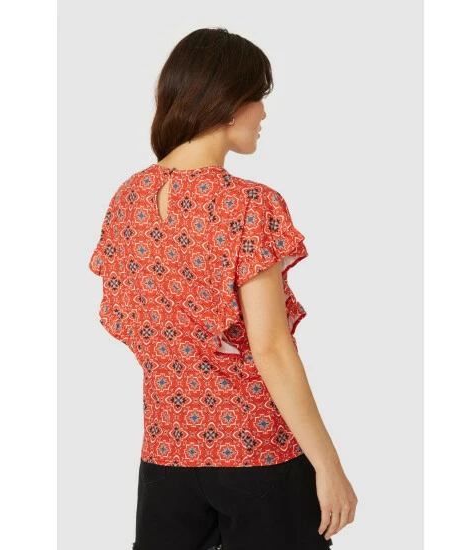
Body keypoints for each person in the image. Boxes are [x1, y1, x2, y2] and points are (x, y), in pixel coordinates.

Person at [88, 27, 357, 550]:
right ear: (229, 102)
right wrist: (329, 466)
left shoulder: (127, 200)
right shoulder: (250, 205)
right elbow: (271, 348)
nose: (264, 112)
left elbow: (136, 327)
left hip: (166, 455)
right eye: (259, 97)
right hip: (258, 455)